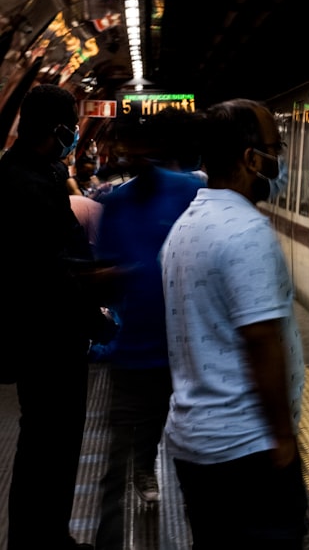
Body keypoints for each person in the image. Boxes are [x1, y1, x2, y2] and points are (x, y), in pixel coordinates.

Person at [159, 99, 306, 547]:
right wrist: (282, 439)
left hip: (195, 441)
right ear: (250, 158)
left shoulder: (185, 226)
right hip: (246, 448)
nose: (278, 162)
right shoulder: (246, 232)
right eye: (274, 149)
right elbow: (261, 340)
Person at [0, 83, 111, 550]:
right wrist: (99, 311)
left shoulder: (20, 174)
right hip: (49, 339)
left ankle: (42, 535)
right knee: (53, 444)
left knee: (41, 443)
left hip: (36, 336)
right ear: (60, 129)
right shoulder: (30, 185)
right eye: (71, 127)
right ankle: (42, 539)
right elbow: (52, 270)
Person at [93, 109, 205, 549]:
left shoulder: (193, 192)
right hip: (133, 354)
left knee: (196, 465)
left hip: (186, 355)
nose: (131, 156)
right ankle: (109, 539)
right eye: (125, 150)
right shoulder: (114, 203)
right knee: (115, 466)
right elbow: (105, 274)